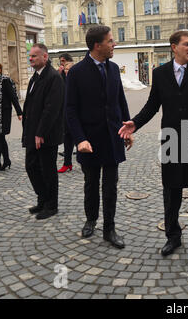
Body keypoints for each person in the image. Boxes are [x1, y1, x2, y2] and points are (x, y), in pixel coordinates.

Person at [119, 30, 188, 256]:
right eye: (186, 44)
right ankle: (173, 237)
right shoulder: (161, 73)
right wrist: (134, 124)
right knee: (171, 189)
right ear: (173, 47)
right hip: (172, 139)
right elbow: (152, 105)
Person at [65, 26, 132, 249]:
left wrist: (127, 128)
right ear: (97, 45)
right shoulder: (76, 72)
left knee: (111, 185)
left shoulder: (113, 69)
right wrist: (79, 139)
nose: (114, 44)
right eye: (111, 41)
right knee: (91, 183)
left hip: (112, 136)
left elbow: (120, 101)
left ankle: (109, 229)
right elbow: (70, 110)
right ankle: (91, 219)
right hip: (89, 141)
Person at [22, 43, 64, 220]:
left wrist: (40, 133)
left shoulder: (53, 77)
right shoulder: (35, 77)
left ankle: (51, 205)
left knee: (47, 170)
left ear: (45, 57)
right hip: (32, 132)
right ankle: (42, 199)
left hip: (46, 135)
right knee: (31, 166)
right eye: (30, 56)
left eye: (34, 56)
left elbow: (51, 109)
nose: (30, 59)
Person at [0, 61, 22, 173]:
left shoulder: (5, 81)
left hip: (4, 114)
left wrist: (19, 112)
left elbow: (13, 97)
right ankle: (5, 161)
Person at [58, 61, 75, 173]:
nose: (66, 71)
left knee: (81, 140)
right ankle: (67, 163)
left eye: (69, 69)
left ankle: (91, 161)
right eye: (65, 69)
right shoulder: (61, 81)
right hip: (65, 115)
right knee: (68, 140)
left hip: (77, 115)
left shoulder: (78, 81)